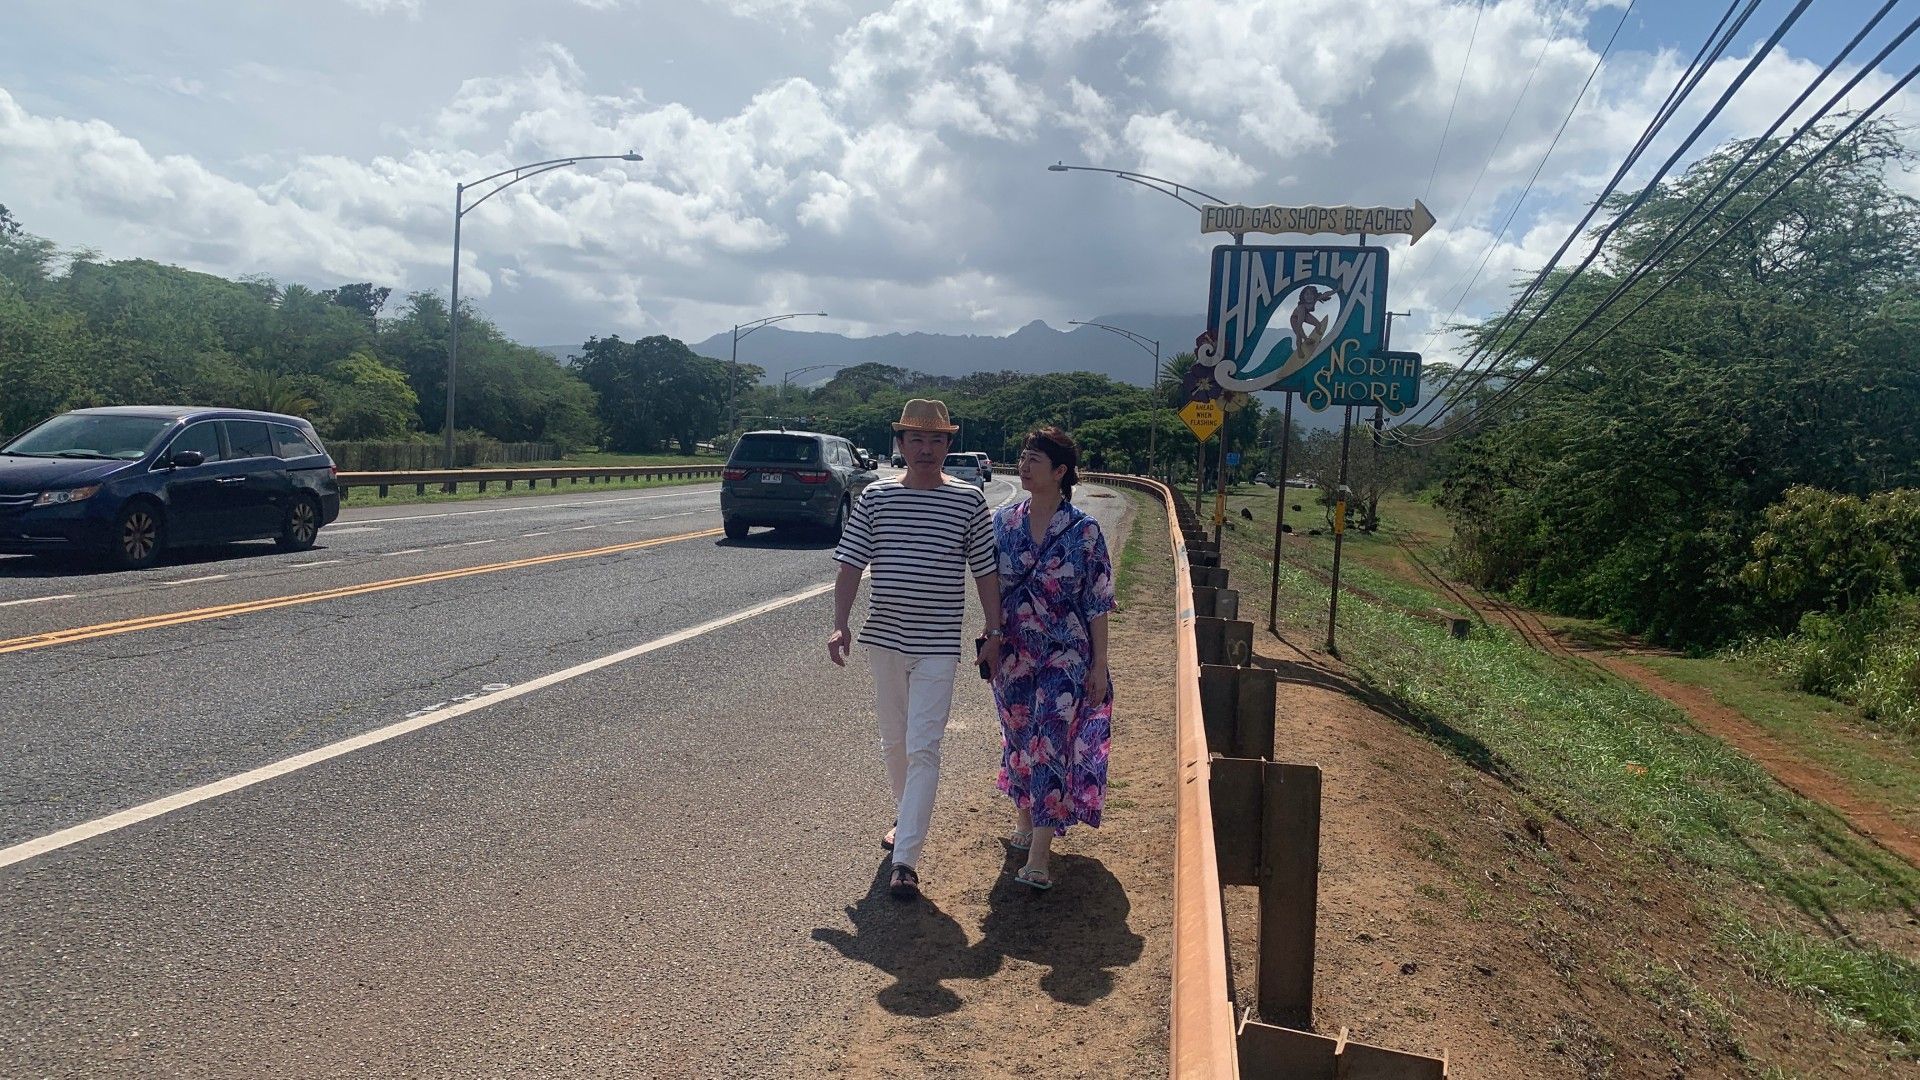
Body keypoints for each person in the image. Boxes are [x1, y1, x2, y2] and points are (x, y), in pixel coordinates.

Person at [828, 398, 1003, 902]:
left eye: (936, 440)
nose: (926, 449)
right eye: (916, 440)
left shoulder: (968, 501)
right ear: (900, 444)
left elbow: (985, 571)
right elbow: (849, 566)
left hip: (938, 645)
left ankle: (905, 858)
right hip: (884, 640)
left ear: (950, 445)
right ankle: (907, 819)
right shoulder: (876, 498)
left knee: (924, 745)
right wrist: (840, 625)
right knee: (894, 742)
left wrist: (994, 632)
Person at [989, 426, 1116, 891]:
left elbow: (1099, 601)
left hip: (1066, 655)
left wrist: (1099, 665)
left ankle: (1040, 855)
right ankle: (1025, 820)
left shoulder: (1084, 531)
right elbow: (991, 587)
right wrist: (990, 635)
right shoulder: (1003, 522)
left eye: (1034, 459)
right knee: (1019, 736)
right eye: (1022, 457)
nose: (1023, 465)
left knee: (1049, 741)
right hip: (1014, 654)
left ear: (1060, 472)